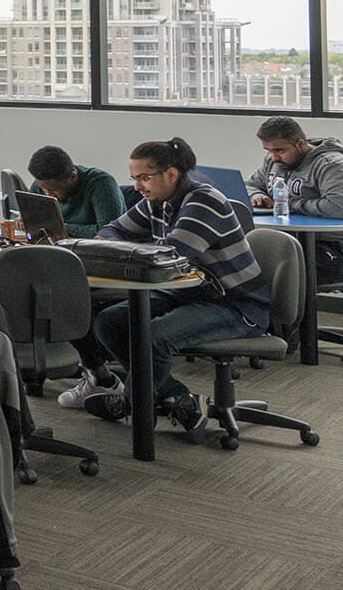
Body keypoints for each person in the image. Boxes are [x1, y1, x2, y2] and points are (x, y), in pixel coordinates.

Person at [60, 138, 267, 439]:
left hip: (234, 304)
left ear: (171, 174)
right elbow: (113, 229)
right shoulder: (156, 201)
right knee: (109, 322)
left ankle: (131, 402)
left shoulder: (203, 200)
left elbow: (170, 256)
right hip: (186, 293)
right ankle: (180, 399)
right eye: (134, 179)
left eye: (145, 178)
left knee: (155, 337)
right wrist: (116, 245)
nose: (138, 186)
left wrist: (129, 249)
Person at [245, 115, 343, 280]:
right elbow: (249, 184)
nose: (274, 157)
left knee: (275, 271)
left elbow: (338, 206)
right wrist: (257, 195)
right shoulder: (273, 162)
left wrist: (291, 204)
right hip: (286, 240)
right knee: (241, 262)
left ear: (300, 144)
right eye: (268, 150)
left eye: (280, 151)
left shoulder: (331, 165)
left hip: (328, 246)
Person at [22, 145, 124, 239]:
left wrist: (60, 227)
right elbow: (31, 217)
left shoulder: (101, 183)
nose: (48, 195)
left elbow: (107, 231)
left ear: (73, 177)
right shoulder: (43, 182)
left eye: (54, 190)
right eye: (44, 189)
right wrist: (23, 219)